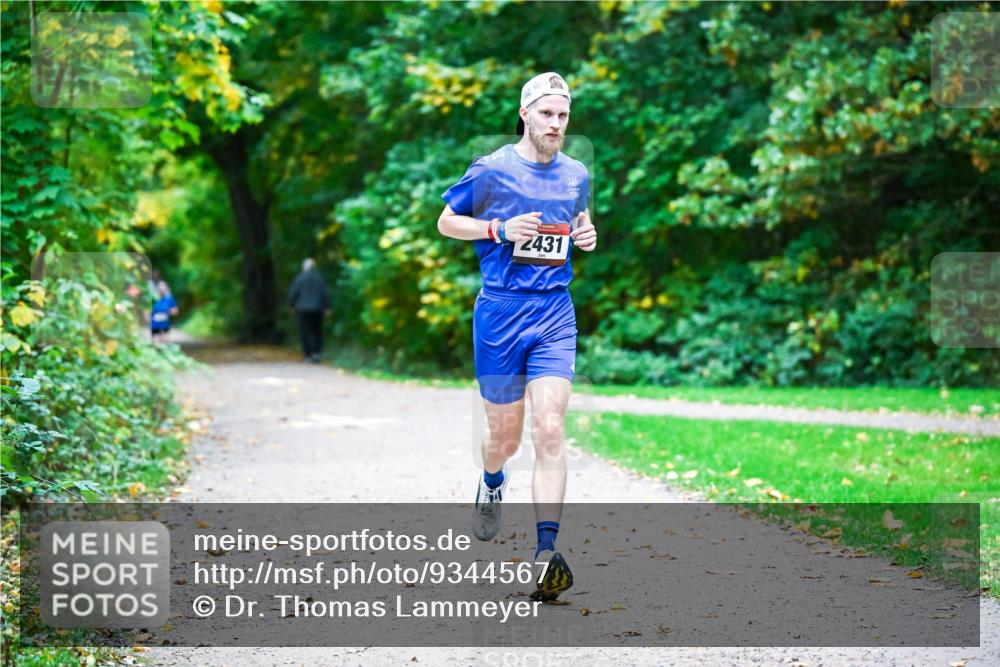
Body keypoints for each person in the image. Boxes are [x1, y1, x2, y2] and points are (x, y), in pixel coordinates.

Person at [437, 72, 597, 602]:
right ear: (525, 114)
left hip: (553, 311)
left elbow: (577, 223)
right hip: (501, 314)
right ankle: (491, 479)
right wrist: (498, 230)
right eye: (547, 114)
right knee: (504, 439)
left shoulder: (576, 174)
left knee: (549, 428)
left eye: (563, 115)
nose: (556, 124)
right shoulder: (492, 169)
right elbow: (446, 222)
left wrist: (585, 234)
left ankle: (545, 553)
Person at [287, 258, 331, 363]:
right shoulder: (319, 278)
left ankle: (308, 354)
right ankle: (317, 353)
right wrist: (327, 307)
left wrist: (291, 305)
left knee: (304, 332)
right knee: (317, 331)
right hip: (317, 309)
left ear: (304, 267)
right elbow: (325, 293)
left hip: (303, 310)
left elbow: (294, 292)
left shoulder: (300, 278)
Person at [150, 280, 178, 344]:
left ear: (166, 289)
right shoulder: (154, 299)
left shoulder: (170, 299)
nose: (161, 290)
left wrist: (170, 311)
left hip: (165, 324)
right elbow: (147, 309)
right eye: (160, 288)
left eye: (163, 288)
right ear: (157, 289)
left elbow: (175, 311)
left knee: (164, 343)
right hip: (155, 324)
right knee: (155, 343)